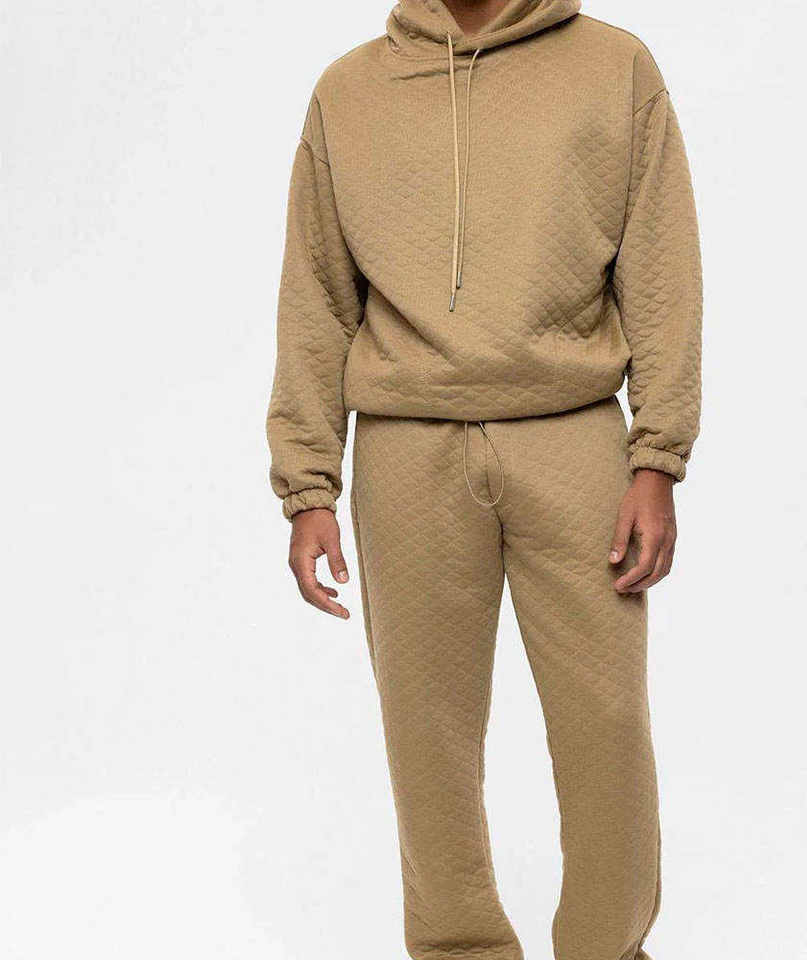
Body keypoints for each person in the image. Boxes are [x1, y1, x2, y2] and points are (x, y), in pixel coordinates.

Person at [267, 1, 701, 957]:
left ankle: (608, 948)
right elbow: (317, 296)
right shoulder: (349, 91)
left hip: (574, 437)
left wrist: (657, 456)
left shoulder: (614, 68)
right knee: (426, 739)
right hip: (405, 448)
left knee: (606, 725)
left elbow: (662, 273)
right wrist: (308, 485)